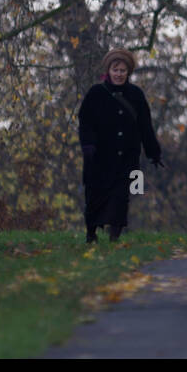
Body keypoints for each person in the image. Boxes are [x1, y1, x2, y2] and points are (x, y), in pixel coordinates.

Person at [78, 48, 162, 243]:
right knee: (94, 196)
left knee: (122, 196)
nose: (119, 74)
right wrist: (88, 144)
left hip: (128, 157)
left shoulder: (136, 95)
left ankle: (114, 236)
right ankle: (91, 233)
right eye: (115, 70)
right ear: (109, 70)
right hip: (98, 157)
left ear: (128, 72)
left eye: (123, 70)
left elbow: (145, 126)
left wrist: (153, 152)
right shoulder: (96, 93)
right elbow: (85, 121)